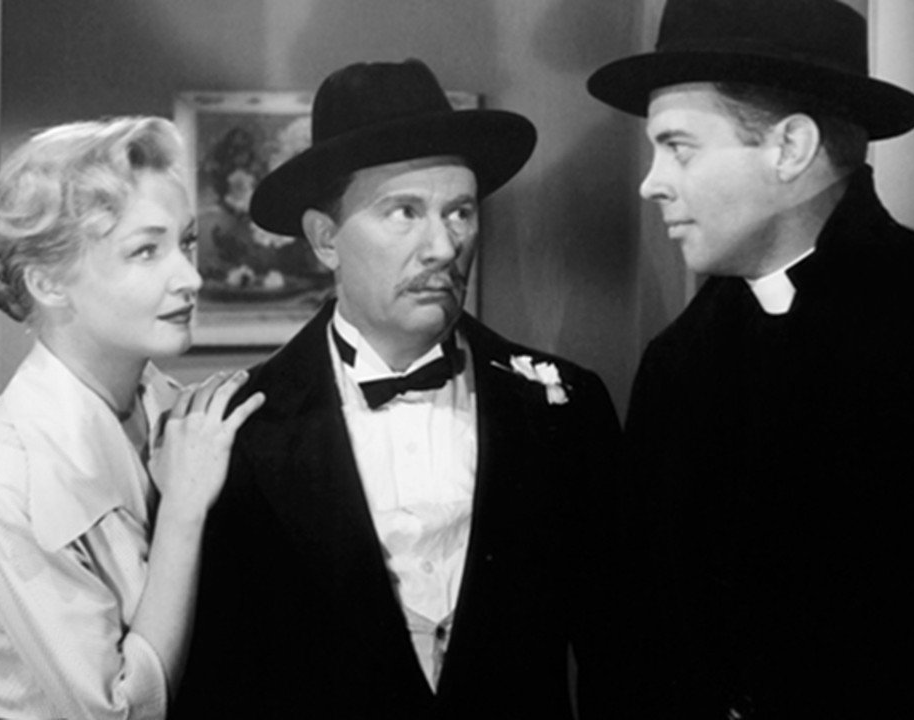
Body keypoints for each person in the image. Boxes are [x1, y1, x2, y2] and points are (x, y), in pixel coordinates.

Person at [586, 1, 914, 717]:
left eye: (679, 147)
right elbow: (638, 642)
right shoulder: (677, 364)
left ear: (790, 148)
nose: (652, 181)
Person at [175, 60, 623, 719]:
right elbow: (217, 687)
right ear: (325, 239)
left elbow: (623, 658)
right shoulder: (237, 428)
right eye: (404, 212)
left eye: (459, 212)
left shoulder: (565, 408)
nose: (443, 245)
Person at [0, 117, 263, 719]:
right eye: (145, 251)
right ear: (49, 282)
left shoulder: (176, 412)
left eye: (185, 243)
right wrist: (182, 510)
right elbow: (119, 712)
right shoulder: (0, 475)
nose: (191, 278)